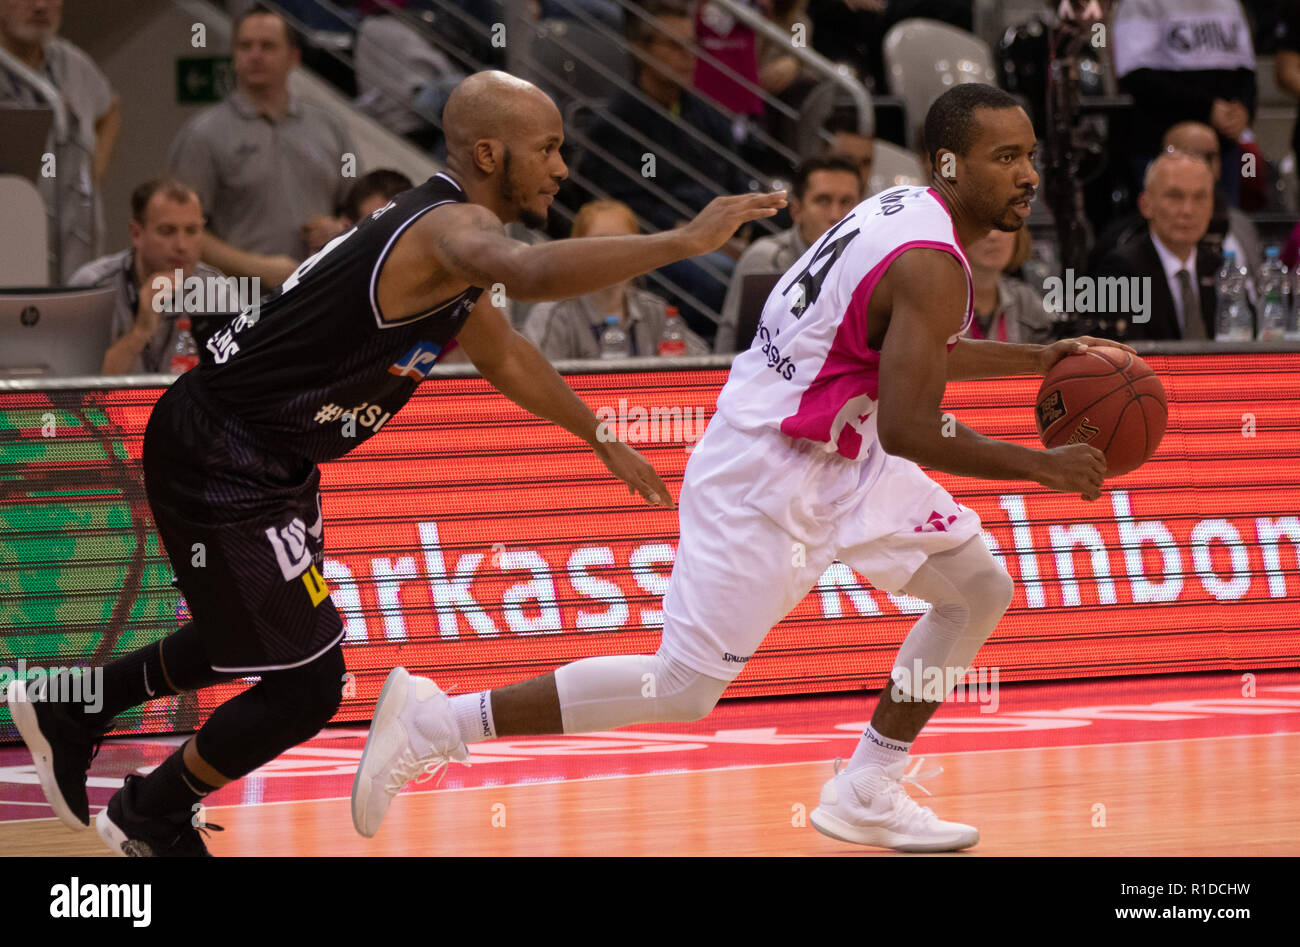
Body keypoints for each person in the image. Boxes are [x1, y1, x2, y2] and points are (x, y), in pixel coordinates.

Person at [5, 69, 783, 856]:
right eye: (547, 148)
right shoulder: (450, 229)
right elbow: (534, 275)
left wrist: (597, 433)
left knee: (251, 630)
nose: (560, 168)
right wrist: (683, 242)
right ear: (489, 152)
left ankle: (77, 709)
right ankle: (150, 812)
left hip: (268, 454)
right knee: (307, 684)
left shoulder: (447, 248)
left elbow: (508, 356)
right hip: (223, 450)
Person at [352, 83, 1125, 852]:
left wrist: (1035, 357)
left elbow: (906, 354)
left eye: (1030, 156)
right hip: (769, 467)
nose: (1028, 174)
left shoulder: (903, 213)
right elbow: (912, 424)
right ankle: (436, 720)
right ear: (950, 163)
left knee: (979, 586)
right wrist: (1042, 467)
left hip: (841, 451)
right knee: (683, 687)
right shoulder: (932, 262)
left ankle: (867, 784)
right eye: (1007, 157)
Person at [580, 0, 756, 341]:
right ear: (640, 50)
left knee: (774, 265)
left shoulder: (709, 115)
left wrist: (740, 229)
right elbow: (621, 208)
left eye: (692, 45)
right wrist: (693, 233)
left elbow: (738, 179)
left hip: (722, 238)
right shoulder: (615, 125)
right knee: (723, 277)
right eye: (675, 46)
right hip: (659, 246)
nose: (687, 56)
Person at [168, 4, 358, 285]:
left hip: (320, 294)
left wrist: (341, 229)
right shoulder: (203, 134)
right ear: (234, 55)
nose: (255, 55)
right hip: (237, 300)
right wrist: (256, 268)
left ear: (293, 57)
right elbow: (179, 230)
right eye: (245, 46)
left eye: (267, 46)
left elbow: (361, 210)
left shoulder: (330, 128)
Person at [0, 0, 121, 281]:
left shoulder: (73, 64)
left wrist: (91, 177)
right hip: (13, 260)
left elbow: (111, 108)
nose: (40, 6)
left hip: (78, 253)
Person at [68, 177, 232, 375]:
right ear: (137, 234)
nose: (182, 245)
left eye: (192, 231)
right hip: (112, 406)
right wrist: (140, 331)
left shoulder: (217, 290)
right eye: (167, 231)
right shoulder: (92, 285)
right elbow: (74, 390)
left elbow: (240, 379)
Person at [522, 200, 711, 360]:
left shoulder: (656, 311)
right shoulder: (553, 315)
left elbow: (704, 365)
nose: (613, 253)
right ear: (575, 250)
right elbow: (529, 383)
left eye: (624, 242)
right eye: (600, 243)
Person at [714, 154, 863, 353]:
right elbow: (733, 346)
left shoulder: (871, 260)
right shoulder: (765, 258)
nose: (836, 215)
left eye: (846, 202)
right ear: (796, 210)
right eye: (823, 201)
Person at [1091, 151, 1218, 341]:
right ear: (1146, 205)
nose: (1188, 210)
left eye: (1200, 197)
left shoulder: (1217, 266)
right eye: (1175, 196)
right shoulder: (1121, 270)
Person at [964, 226, 1061, 344]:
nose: (993, 236)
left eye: (1003, 225)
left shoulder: (1025, 299)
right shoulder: (938, 301)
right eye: (981, 223)